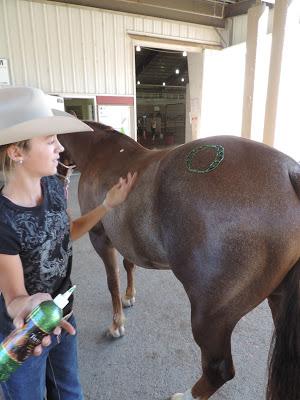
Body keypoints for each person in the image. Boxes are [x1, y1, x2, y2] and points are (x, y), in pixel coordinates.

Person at [0, 86, 137, 400]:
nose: (60, 148)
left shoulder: (51, 185)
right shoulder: (3, 220)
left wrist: (106, 204)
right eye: (50, 141)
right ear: (17, 152)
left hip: (63, 316)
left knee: (69, 393)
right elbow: (14, 297)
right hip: (24, 331)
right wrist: (27, 305)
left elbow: (65, 231)